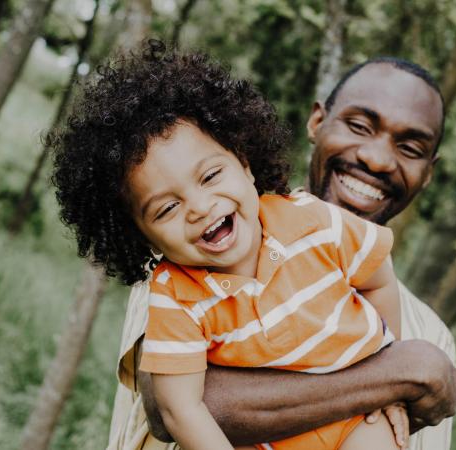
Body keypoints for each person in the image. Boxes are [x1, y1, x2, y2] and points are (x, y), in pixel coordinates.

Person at [53, 41, 413, 449]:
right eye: (168, 208)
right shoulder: (177, 296)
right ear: (140, 235)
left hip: (357, 426)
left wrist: (390, 378)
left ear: (244, 163)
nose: (200, 208)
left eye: (209, 177)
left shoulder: (313, 221)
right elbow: (179, 409)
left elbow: (379, 279)